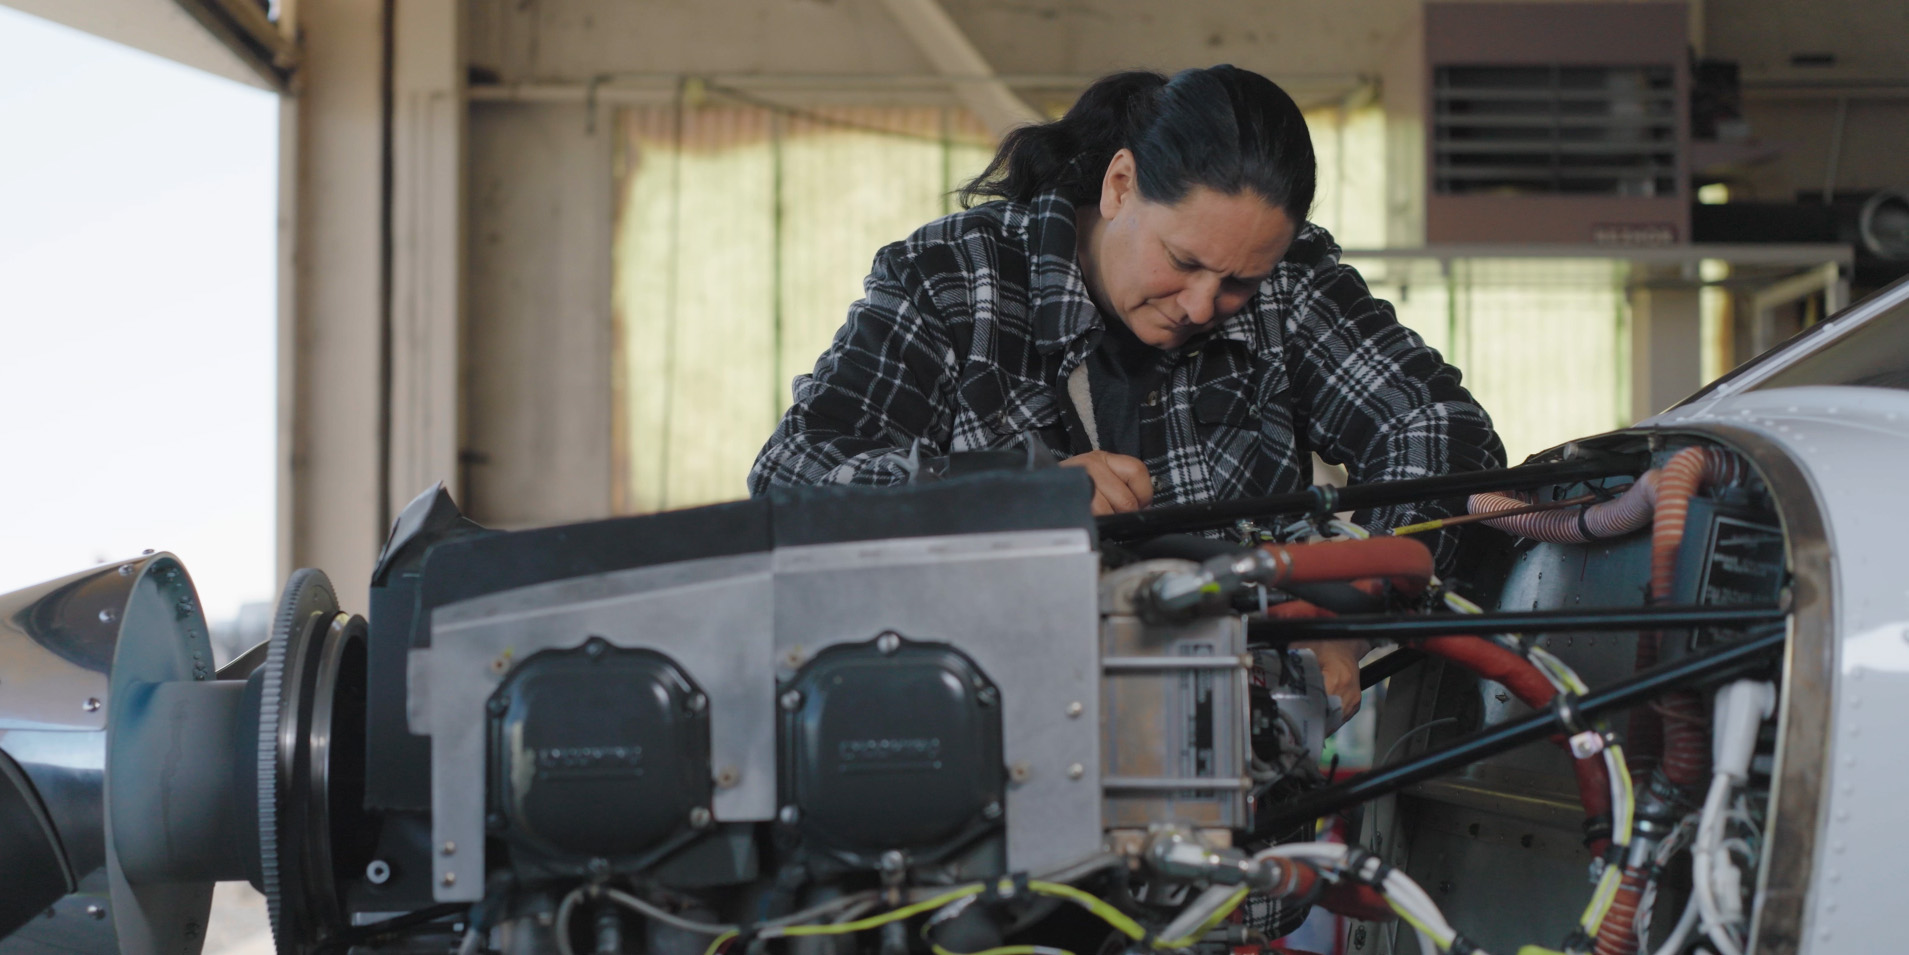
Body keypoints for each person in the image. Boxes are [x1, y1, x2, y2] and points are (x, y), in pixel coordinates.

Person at [749, 66, 1505, 716]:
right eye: (1181, 259)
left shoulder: (1289, 284)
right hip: (996, 766)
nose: (1203, 304)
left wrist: (1344, 606)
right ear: (1118, 185)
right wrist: (1012, 494)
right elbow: (794, 476)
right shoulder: (955, 280)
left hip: (1245, 809)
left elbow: (1436, 429)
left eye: (1237, 280)